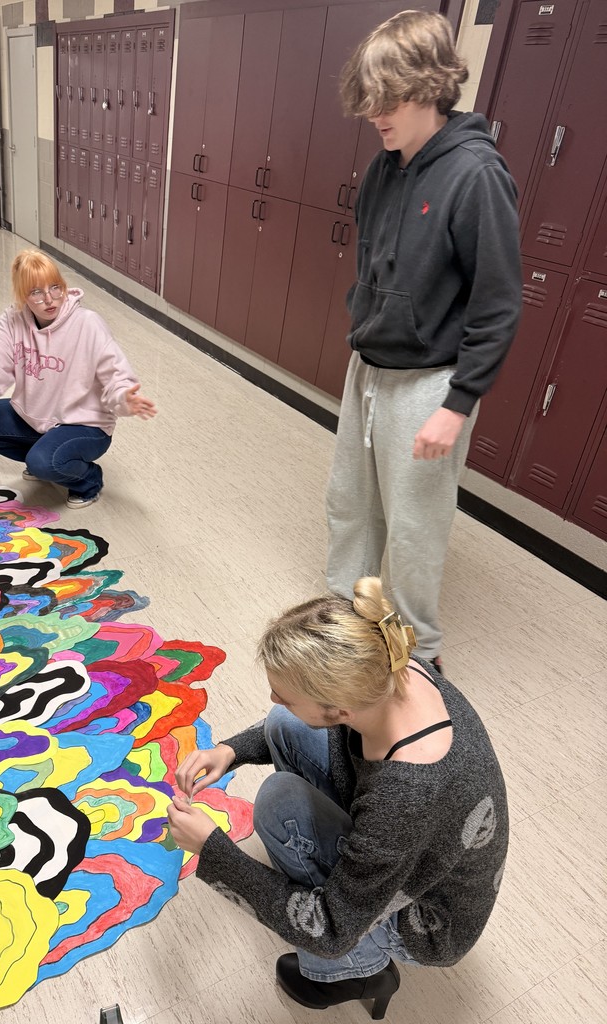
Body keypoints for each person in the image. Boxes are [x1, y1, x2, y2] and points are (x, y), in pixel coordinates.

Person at [167, 579, 508, 1018]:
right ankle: (344, 906)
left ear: (340, 711)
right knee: (282, 726)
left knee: (279, 806)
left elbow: (330, 928)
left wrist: (213, 850)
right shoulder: (395, 669)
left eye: (286, 694)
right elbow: (305, 723)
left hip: (430, 920)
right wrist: (230, 751)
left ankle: (358, 971)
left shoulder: (407, 792)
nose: (274, 697)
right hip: (413, 838)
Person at [326, 11, 522, 670]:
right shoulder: (386, 165)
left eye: (390, 98)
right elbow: (372, 261)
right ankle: (351, 625)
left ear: (431, 86)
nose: (376, 113)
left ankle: (418, 659)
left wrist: (457, 403)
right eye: (370, 100)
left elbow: (497, 305)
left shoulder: (476, 175)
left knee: (413, 529)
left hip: (431, 382)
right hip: (371, 365)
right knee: (351, 507)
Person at [0, 250, 156, 509]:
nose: (49, 299)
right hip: (34, 416)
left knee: (44, 462)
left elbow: (116, 375)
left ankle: (88, 480)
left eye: (55, 288)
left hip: (85, 425)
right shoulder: (14, 319)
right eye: (36, 292)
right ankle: (45, 455)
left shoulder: (87, 324)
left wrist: (126, 398)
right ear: (23, 296)